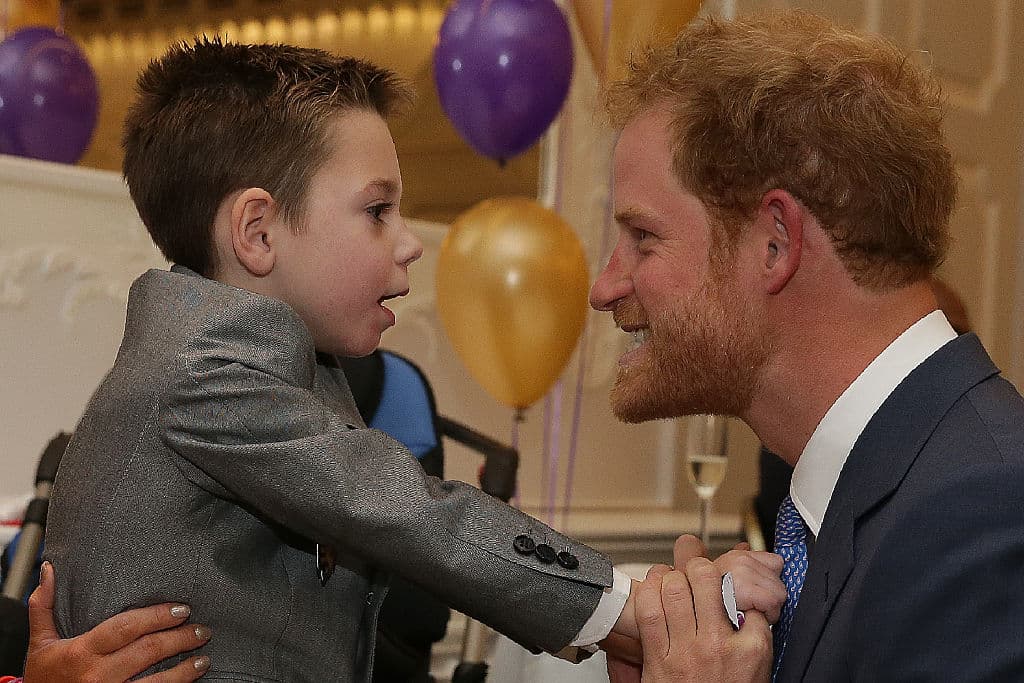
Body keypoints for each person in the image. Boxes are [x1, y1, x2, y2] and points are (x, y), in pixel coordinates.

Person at [43, 39, 784, 681]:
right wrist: (638, 605)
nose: (409, 242)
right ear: (258, 232)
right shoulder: (203, 373)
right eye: (376, 210)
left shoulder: (275, 361)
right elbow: (404, 510)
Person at [590, 9, 1024, 682]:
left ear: (776, 244)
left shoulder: (981, 519)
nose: (605, 286)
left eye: (643, 238)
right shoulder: (881, 495)